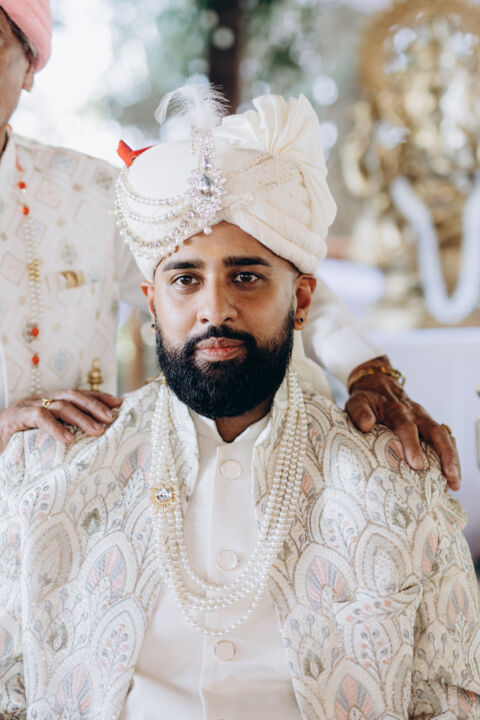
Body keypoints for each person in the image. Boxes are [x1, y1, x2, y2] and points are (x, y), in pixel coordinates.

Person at [0, 88, 478, 719]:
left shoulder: (392, 483)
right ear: (151, 301)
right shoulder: (53, 482)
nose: (215, 309)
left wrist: (370, 369)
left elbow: (451, 700)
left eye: (246, 278)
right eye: (185, 280)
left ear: (300, 301)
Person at [0, 1, 461, 494]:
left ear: (30, 65)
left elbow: (268, 283)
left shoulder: (89, 190)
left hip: (71, 495)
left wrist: (366, 371)